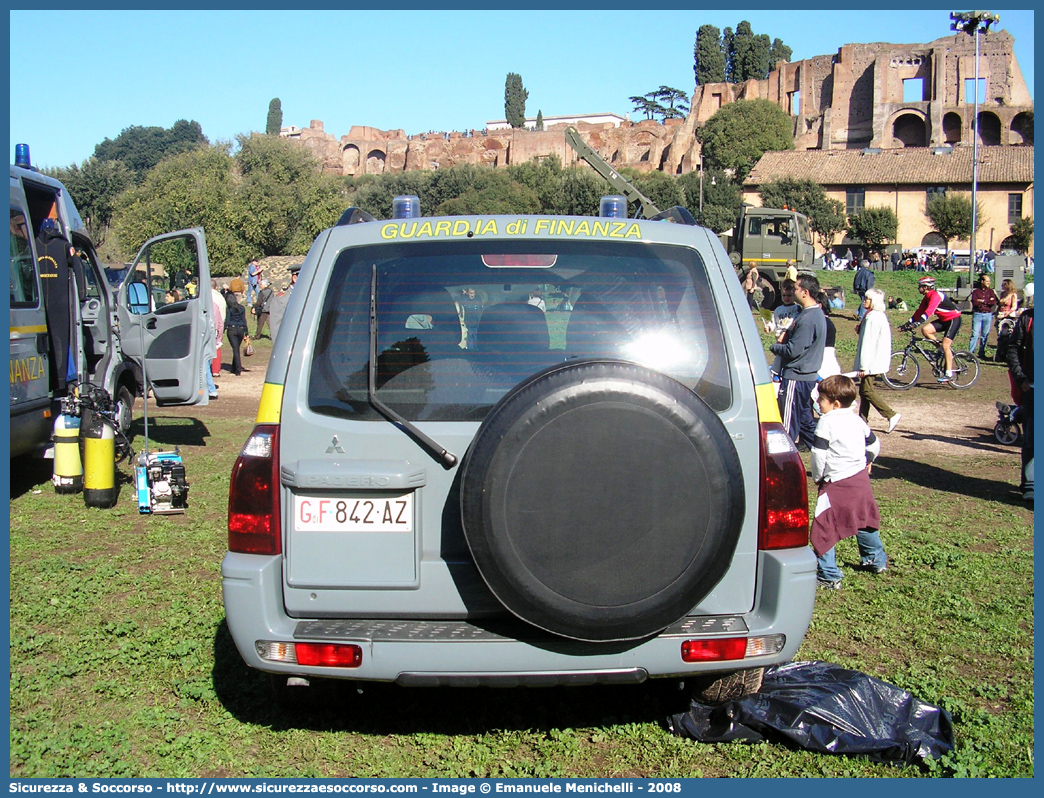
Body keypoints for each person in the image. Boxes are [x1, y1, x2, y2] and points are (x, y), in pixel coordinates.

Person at [809, 374, 887, 589]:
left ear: (834, 404)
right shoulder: (857, 420)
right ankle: (876, 560)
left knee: (824, 526)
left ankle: (829, 574)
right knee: (865, 520)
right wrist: (867, 461)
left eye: (820, 400)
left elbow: (818, 454)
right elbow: (874, 445)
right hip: (860, 481)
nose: (817, 403)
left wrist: (817, 476)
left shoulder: (826, 422)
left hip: (836, 483)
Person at [770, 273, 826, 449]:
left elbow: (793, 350)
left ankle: (783, 467)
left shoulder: (808, 319)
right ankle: (823, 455)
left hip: (796, 377)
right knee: (805, 422)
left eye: (796, 288)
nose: (792, 291)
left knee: (786, 426)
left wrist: (775, 347)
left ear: (805, 292)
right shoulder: (813, 314)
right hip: (806, 377)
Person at [35, 217, 84, 395]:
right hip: (60, 304)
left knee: (42, 346)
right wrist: (82, 295)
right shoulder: (64, 245)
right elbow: (78, 267)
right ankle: (62, 380)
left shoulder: (34, 244)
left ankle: (47, 381)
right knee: (61, 342)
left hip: (38, 304)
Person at [854, 289, 901, 433]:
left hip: (871, 360)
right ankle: (862, 421)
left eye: (867, 298)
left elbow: (869, 342)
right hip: (873, 359)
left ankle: (890, 414)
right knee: (864, 390)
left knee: (867, 390)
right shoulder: (875, 316)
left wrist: (863, 366)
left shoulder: (873, 317)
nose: (864, 300)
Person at [908, 275, 962, 383]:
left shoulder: (935, 295)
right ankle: (941, 350)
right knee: (925, 330)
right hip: (944, 320)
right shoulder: (926, 298)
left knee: (946, 344)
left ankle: (949, 374)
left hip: (953, 320)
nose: (919, 288)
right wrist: (907, 324)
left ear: (926, 287)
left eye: (920, 286)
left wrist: (918, 322)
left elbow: (929, 312)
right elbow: (919, 312)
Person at [1005, 306, 1033, 504]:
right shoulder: (1028, 318)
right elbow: (1013, 348)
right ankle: (1030, 484)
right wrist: (1020, 377)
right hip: (1033, 388)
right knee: (1032, 440)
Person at [968, 274, 1000, 360]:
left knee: (985, 334)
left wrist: (982, 301)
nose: (988, 283)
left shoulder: (991, 292)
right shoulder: (975, 292)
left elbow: (993, 302)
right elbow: (975, 302)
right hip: (977, 314)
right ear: (982, 281)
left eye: (989, 281)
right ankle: (971, 353)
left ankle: (981, 352)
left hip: (988, 314)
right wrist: (987, 301)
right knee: (975, 334)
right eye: (987, 281)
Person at [224, 291, 249, 377]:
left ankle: (238, 369)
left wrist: (223, 330)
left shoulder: (229, 309)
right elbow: (243, 320)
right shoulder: (241, 308)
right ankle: (234, 367)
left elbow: (227, 321)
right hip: (241, 329)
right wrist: (246, 332)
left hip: (232, 329)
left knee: (235, 349)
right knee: (236, 348)